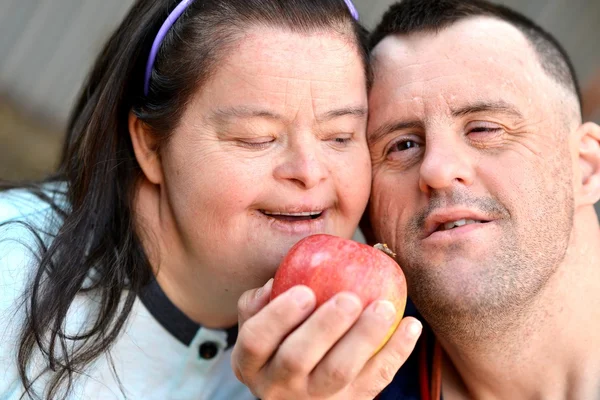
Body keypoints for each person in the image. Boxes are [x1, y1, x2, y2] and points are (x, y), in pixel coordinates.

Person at [0, 0, 422, 399]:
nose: (310, 171)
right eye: (256, 138)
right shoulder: (10, 272)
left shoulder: (359, 350)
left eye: (341, 137)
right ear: (150, 146)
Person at [362, 0, 600, 399]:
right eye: (402, 145)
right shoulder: (333, 385)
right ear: (369, 218)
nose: (436, 169)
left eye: (484, 128)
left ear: (585, 168)